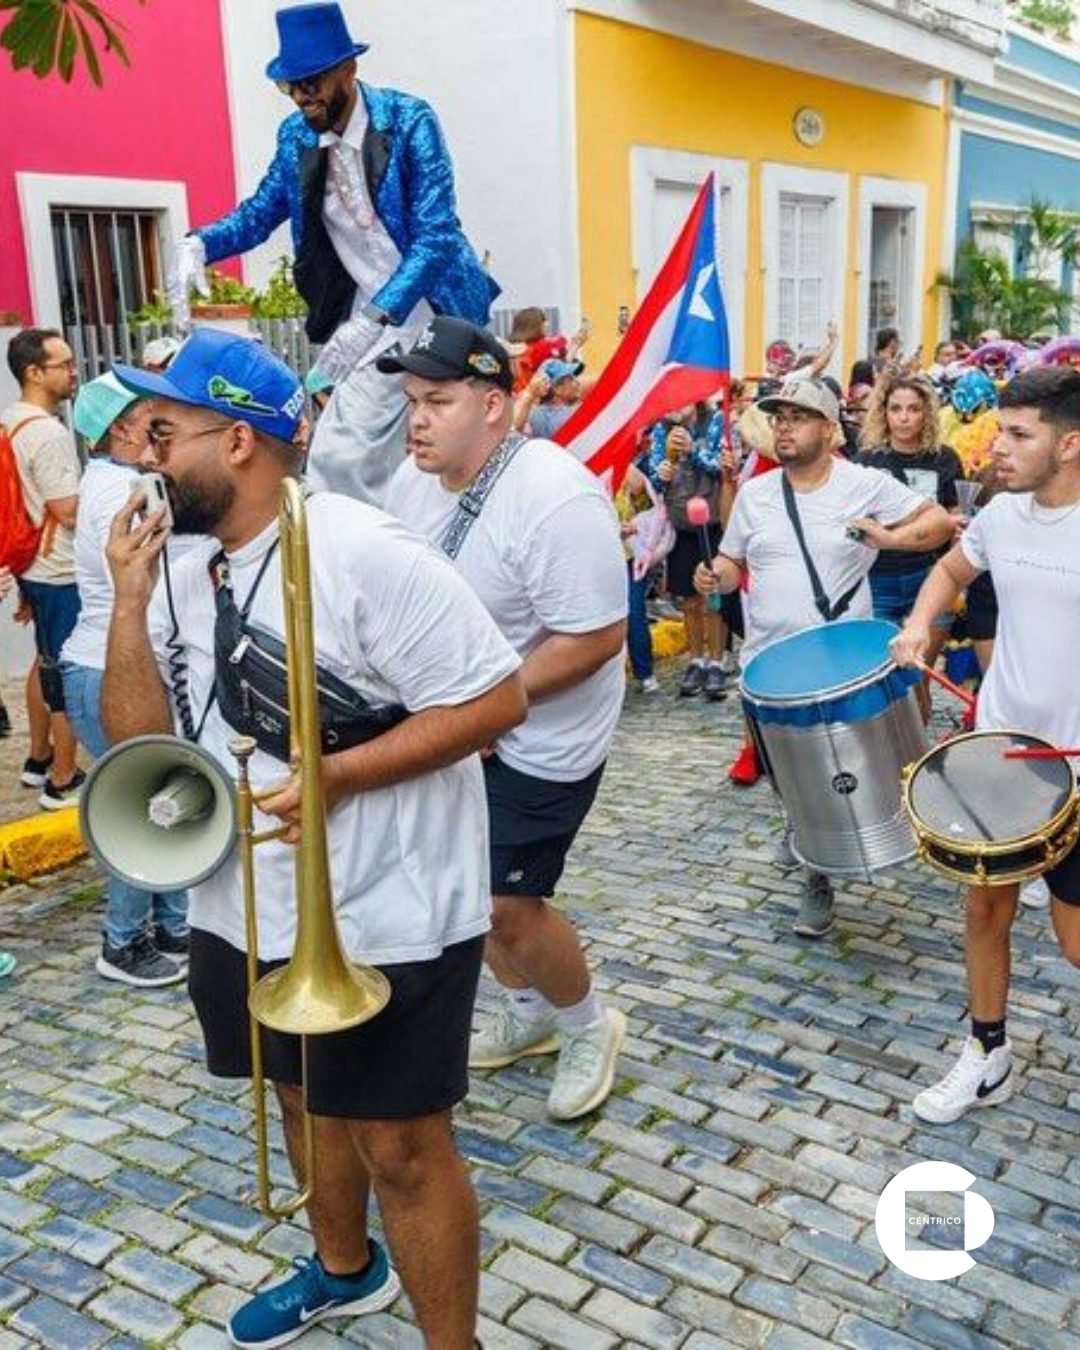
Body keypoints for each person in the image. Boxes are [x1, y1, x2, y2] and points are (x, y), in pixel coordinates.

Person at [102, 327, 526, 1349]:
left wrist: (336, 774)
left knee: (403, 1146)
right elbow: (137, 747)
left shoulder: (363, 550)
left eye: (163, 430)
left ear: (239, 440)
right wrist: (123, 599)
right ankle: (343, 1269)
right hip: (247, 895)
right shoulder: (181, 562)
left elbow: (496, 699)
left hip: (388, 899)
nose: (145, 452)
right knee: (298, 1091)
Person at [380, 316, 629, 1122]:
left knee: (505, 906)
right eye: (413, 400)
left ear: (494, 405)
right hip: (453, 724)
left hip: (542, 735)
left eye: (439, 401)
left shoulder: (555, 498)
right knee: (457, 888)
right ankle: (528, 1016)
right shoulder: (411, 480)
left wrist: (492, 708)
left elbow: (595, 636)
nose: (417, 419)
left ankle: (589, 1024)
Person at [169, 2, 496, 508]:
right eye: (290, 85)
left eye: (313, 81)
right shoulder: (295, 136)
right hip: (362, 326)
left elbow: (437, 236)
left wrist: (376, 316)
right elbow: (260, 212)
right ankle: (359, 565)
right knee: (339, 459)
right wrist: (201, 243)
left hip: (436, 313)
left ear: (349, 68)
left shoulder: (409, 121)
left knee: (453, 459)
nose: (302, 96)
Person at [694, 379, 953, 936]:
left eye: (800, 417)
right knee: (784, 772)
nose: (785, 426)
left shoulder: (863, 482)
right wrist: (716, 574)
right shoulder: (757, 494)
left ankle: (833, 860)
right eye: (779, 417)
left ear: (829, 429)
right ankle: (807, 848)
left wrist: (888, 537)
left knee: (841, 769)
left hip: (838, 662)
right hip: (767, 664)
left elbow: (937, 522)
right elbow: (732, 561)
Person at [892, 366, 1080, 1123]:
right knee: (984, 915)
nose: (997, 446)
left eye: (1018, 434)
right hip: (1001, 754)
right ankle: (988, 1053)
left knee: (1074, 946)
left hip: (1076, 766)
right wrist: (918, 624)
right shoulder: (1001, 518)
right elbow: (949, 568)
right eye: (999, 429)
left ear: (1071, 444)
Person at [59, 374, 190, 987]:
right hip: (109, 666)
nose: (162, 428)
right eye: (152, 417)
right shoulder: (126, 490)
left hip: (101, 663)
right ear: (121, 428)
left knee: (159, 799)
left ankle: (172, 925)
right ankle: (122, 943)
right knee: (144, 810)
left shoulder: (109, 481)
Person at [2, 328, 84, 808]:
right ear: (35, 372)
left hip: (32, 562)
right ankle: (63, 778)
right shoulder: (49, 433)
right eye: (64, 365)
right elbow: (68, 510)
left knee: (44, 660)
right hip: (59, 567)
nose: (72, 373)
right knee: (64, 672)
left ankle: (37, 758)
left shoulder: (12, 420)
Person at [858, 372, 962, 720]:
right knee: (886, 676)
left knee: (919, 676)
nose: (903, 417)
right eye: (895, 408)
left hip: (929, 576)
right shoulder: (868, 461)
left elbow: (953, 516)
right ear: (883, 413)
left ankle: (919, 761)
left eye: (913, 409)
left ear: (926, 414)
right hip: (878, 580)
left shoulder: (944, 458)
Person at [648, 404, 733, 699]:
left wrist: (691, 452)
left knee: (713, 599)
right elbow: (656, 479)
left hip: (711, 522)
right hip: (681, 525)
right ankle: (696, 660)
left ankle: (716, 661)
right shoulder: (661, 428)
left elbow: (719, 465)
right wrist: (664, 469)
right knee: (689, 600)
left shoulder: (715, 420)